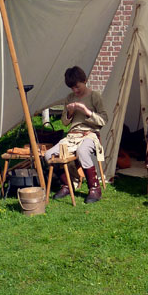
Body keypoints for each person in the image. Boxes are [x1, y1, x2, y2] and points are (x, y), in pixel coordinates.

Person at [44, 66, 108, 203]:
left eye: (77, 87)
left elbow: (103, 120)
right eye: (72, 88)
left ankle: (95, 189)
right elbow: (64, 122)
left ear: (84, 81)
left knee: (82, 151)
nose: (75, 90)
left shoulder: (95, 96)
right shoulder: (70, 98)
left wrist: (86, 111)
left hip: (90, 134)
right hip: (72, 136)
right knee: (49, 155)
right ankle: (68, 184)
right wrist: (70, 112)